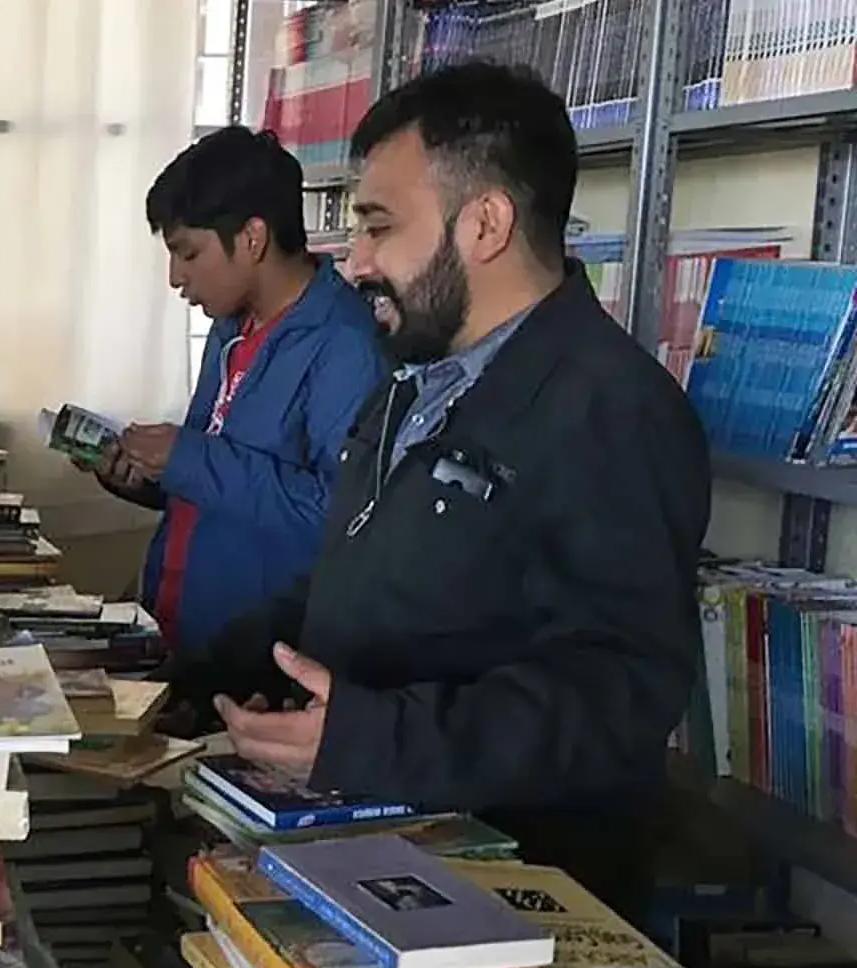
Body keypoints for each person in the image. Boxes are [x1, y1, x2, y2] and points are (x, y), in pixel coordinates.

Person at [171, 62, 710, 921]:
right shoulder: (413, 382)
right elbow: (356, 576)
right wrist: (195, 676)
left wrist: (369, 738)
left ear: (485, 223)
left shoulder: (612, 409)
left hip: (505, 907)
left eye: (379, 227)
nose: (355, 262)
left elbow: (618, 697)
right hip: (365, 850)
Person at [96, 127, 383, 653]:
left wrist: (188, 458)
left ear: (252, 239)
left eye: (188, 253)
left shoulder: (345, 346)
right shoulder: (230, 328)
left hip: (255, 660)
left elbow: (340, 521)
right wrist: (141, 477)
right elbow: (214, 488)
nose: (175, 277)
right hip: (178, 627)